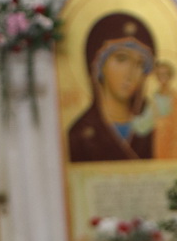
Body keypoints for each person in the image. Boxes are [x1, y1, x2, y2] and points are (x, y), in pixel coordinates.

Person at [67, 12, 156, 162]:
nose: (130, 74)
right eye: (121, 59)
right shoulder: (80, 134)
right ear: (98, 66)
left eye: (140, 64)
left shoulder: (156, 125)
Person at [150, 60, 177, 159]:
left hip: (172, 140)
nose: (162, 77)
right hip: (156, 140)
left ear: (170, 76)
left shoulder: (176, 97)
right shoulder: (152, 97)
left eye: (165, 74)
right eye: (159, 74)